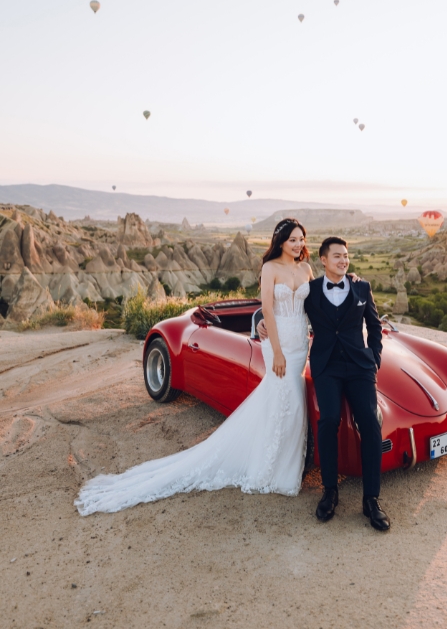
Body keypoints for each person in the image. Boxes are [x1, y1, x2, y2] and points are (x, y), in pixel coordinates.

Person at [75, 218, 315, 515]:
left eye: (301, 239)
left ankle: (286, 466)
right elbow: (266, 307)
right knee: (283, 399)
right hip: (278, 346)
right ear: (280, 241)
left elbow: (313, 305)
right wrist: (276, 349)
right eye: (293, 239)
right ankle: (270, 469)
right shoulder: (270, 268)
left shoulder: (305, 268)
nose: (298, 244)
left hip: (300, 342)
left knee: (294, 404)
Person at [259, 236, 388, 531]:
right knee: (328, 420)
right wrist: (259, 321)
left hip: (359, 366)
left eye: (346, 256)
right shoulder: (311, 290)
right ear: (323, 261)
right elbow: (278, 307)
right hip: (326, 366)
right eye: (337, 256)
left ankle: (372, 500)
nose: (343, 261)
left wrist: (375, 358)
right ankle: (330, 491)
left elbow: (375, 325)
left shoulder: (361, 287)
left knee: (370, 420)